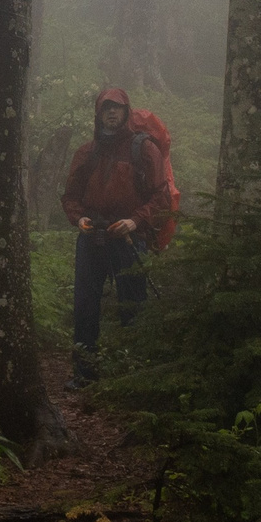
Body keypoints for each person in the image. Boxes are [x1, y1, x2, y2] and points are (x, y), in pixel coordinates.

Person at [59, 86, 178, 387]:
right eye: (106, 107)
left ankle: (131, 376)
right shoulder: (87, 152)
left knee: (133, 304)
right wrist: (79, 218)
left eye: (117, 107)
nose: (111, 112)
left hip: (128, 238)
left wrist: (134, 221)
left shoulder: (144, 149)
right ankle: (84, 373)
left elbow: (161, 196)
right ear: (98, 114)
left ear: (126, 112)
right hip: (92, 236)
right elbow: (71, 196)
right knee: (85, 304)